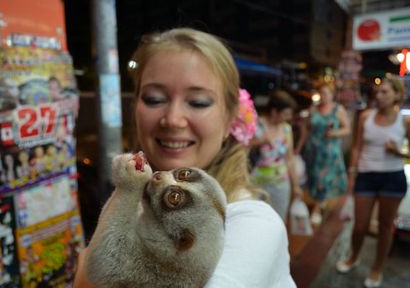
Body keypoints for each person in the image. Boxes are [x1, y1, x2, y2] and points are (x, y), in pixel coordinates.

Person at [73, 27, 296, 287]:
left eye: (199, 102)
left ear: (229, 119)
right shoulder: (138, 198)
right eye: (154, 99)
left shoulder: (254, 224)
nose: (173, 120)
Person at [336, 76, 409, 288]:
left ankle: (377, 268)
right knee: (359, 226)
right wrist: (352, 171)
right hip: (366, 177)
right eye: (378, 92)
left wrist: (398, 151)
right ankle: (353, 257)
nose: (379, 95)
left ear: (397, 94)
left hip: (392, 178)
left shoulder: (404, 121)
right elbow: (357, 146)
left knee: (386, 227)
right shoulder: (366, 116)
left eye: (385, 92)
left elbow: (409, 151)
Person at [249, 90, 303, 221]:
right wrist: (260, 141)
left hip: (280, 184)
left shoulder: (286, 129)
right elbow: (241, 149)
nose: (288, 117)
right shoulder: (257, 125)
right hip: (256, 184)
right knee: (255, 220)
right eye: (285, 113)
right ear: (274, 111)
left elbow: (289, 159)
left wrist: (296, 185)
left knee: (278, 220)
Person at [302, 83, 350, 224]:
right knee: (313, 178)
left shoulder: (338, 109)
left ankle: (317, 208)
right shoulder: (314, 109)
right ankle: (318, 201)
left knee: (323, 180)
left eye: (326, 93)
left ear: (332, 95)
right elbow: (307, 129)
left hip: (328, 151)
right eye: (321, 93)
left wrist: (334, 133)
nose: (323, 96)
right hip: (313, 150)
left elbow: (347, 129)